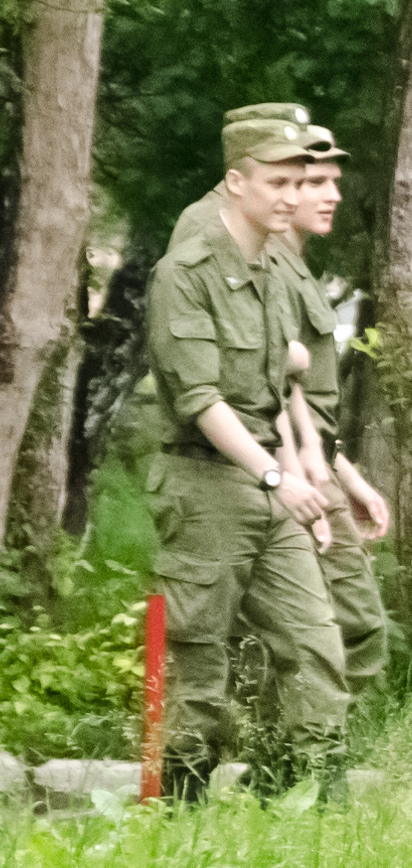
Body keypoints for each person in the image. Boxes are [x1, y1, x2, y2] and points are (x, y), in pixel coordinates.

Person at [146, 108, 348, 800]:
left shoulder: (270, 270)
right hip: (206, 483)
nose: (291, 197)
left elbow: (281, 392)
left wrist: (303, 475)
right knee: (198, 665)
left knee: (316, 646)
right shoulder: (188, 271)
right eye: (276, 182)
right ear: (236, 182)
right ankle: (178, 821)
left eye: (300, 182)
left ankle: (317, 812)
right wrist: (277, 475)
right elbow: (200, 400)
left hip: (267, 483)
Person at [266, 119, 392, 706]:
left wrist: (349, 477)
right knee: (344, 624)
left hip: (315, 469)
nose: (332, 195)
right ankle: (312, 761)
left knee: (347, 625)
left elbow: (309, 406)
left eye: (332, 181)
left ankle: (311, 758)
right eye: (316, 181)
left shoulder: (297, 269)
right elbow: (270, 397)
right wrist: (306, 483)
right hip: (284, 473)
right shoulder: (266, 271)